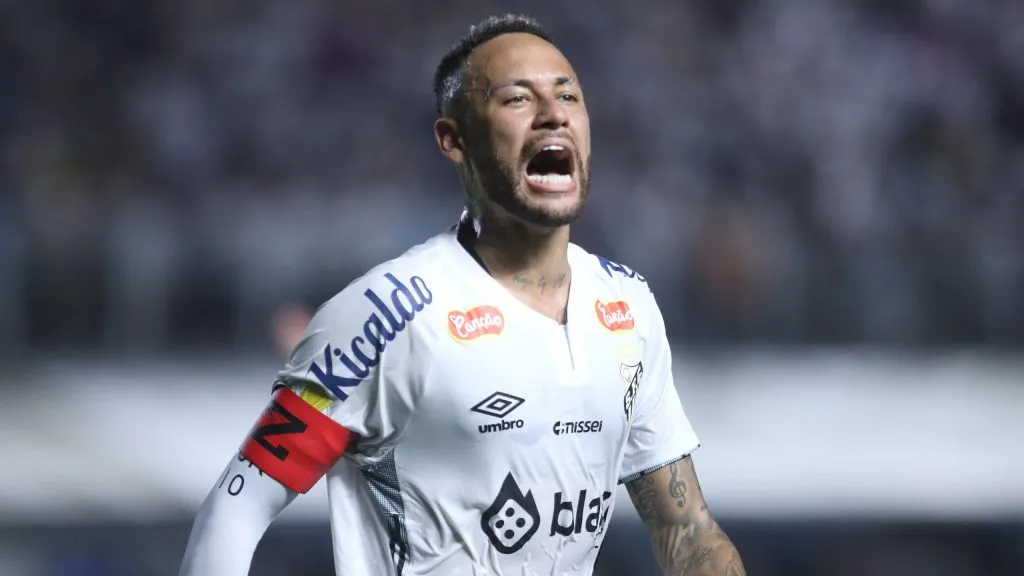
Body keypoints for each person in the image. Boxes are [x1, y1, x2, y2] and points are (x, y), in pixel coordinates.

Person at [179, 13, 746, 576]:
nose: (553, 115)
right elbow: (234, 509)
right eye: (518, 99)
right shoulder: (387, 315)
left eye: (568, 95)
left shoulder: (627, 308)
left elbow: (687, 531)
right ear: (454, 140)